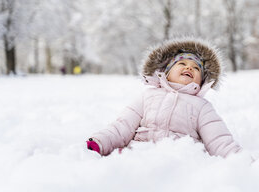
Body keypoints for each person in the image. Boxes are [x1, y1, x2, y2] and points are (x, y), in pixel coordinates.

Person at [86, 38, 242, 158]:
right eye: (182, 64)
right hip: (138, 154)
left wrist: (238, 159)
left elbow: (218, 139)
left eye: (196, 68)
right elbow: (123, 126)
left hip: (178, 160)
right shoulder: (148, 96)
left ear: (202, 81)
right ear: (166, 72)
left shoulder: (202, 106)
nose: (189, 68)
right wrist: (101, 141)